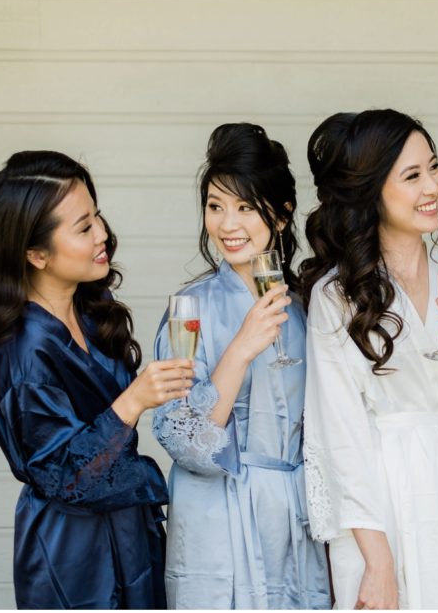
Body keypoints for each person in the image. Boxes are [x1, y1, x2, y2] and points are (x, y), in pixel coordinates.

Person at [0, 150, 194, 608]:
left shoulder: (89, 314)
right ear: (36, 253)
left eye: (98, 217)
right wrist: (134, 400)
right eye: (84, 228)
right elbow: (65, 476)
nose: (103, 234)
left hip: (129, 534)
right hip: (73, 554)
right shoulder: (22, 350)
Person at [299, 109, 438, 609]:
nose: (432, 187)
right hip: (383, 503)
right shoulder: (337, 296)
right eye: (413, 176)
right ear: (373, 190)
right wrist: (377, 564)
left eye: (434, 168)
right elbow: (341, 438)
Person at [151, 123, 331, 609]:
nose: (228, 224)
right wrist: (241, 348)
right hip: (216, 525)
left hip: (294, 523)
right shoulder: (189, 309)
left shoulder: (312, 306)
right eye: (216, 206)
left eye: (245, 207)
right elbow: (182, 436)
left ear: (281, 213)